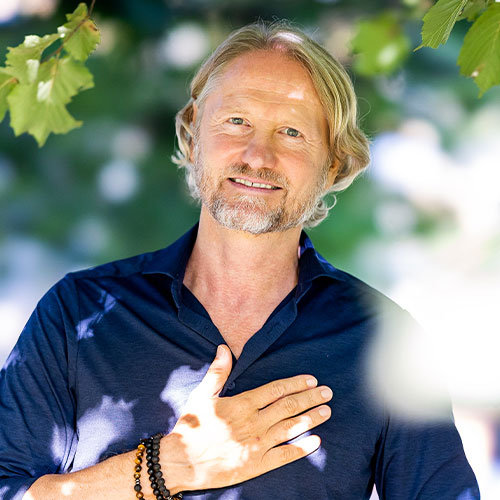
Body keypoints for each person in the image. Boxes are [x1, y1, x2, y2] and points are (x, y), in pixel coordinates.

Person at [0, 21, 479, 500]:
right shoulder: (78, 311)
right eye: (236, 121)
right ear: (193, 134)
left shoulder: (382, 340)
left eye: (291, 132)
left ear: (332, 162)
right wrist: (168, 467)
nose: (258, 155)